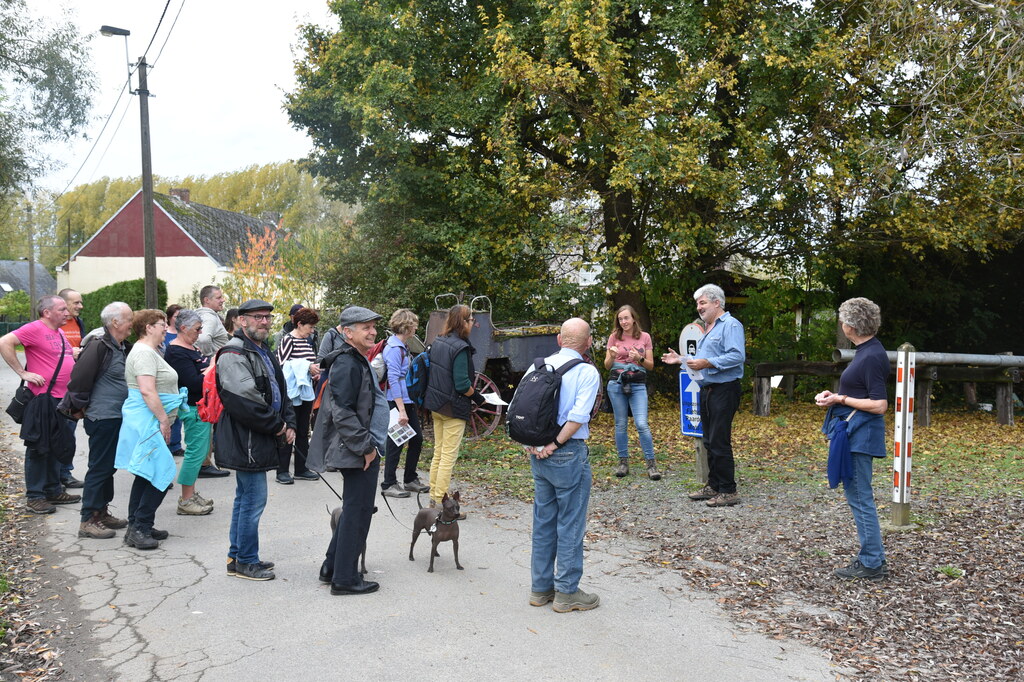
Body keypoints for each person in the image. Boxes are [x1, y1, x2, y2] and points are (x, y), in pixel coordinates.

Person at [307, 306, 387, 595]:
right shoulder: (346, 363)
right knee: (358, 511)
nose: (373, 331)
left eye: (373, 326)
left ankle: (332, 567)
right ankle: (345, 579)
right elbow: (342, 412)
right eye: (365, 327)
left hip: (360, 446)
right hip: (357, 449)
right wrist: (366, 448)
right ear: (347, 331)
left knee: (355, 508)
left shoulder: (354, 359)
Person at [214, 299, 296, 581]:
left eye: (267, 317)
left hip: (260, 433)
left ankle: (238, 556)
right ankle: (246, 561)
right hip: (245, 437)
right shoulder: (233, 353)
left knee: (246, 498)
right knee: (253, 498)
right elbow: (245, 401)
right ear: (241, 321)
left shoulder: (262, 349)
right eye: (257, 317)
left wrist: (290, 422)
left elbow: (279, 390)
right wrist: (278, 427)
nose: (264, 322)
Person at [525, 318, 601, 612]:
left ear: (559, 339)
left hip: (537, 453)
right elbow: (579, 416)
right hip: (566, 453)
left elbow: (524, 408)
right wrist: (555, 445)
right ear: (588, 343)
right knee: (570, 522)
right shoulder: (586, 372)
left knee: (543, 521)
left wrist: (534, 446)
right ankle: (567, 592)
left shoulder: (537, 367)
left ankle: (540, 588)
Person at [815, 297, 890, 581]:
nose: (841, 324)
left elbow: (880, 404)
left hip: (860, 435)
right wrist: (832, 397)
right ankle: (873, 559)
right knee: (859, 497)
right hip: (854, 432)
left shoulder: (871, 355)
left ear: (852, 326)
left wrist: (841, 398)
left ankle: (871, 563)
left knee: (860, 498)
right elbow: (860, 391)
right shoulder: (866, 351)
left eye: (843, 319)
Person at [662, 283, 745, 507]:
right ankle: (714, 485)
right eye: (697, 304)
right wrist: (680, 359)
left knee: (719, 440)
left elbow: (737, 356)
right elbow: (699, 362)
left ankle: (729, 490)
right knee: (709, 440)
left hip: (725, 389)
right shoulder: (707, 328)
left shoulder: (731, 325)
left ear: (717, 302)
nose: (699, 308)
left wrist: (708, 362)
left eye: (702, 303)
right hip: (707, 389)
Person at [0, 296, 80, 514]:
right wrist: (22, 372)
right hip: (43, 398)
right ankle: (35, 496)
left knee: (57, 444)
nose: (67, 313)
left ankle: (53, 490)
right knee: (38, 447)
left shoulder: (60, 332)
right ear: (47, 312)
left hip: (61, 399)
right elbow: (4, 342)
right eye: (62, 309)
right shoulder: (34, 328)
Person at [116, 309, 187, 549]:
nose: (166, 328)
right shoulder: (144, 353)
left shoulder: (148, 351)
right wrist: (164, 420)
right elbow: (147, 390)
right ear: (148, 327)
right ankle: (140, 527)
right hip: (149, 420)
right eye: (161, 324)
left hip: (148, 418)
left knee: (147, 474)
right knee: (162, 473)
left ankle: (137, 525)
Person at [64, 302, 133, 538]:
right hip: (102, 416)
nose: (132, 323)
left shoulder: (121, 346)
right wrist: (77, 408)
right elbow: (79, 379)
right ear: (115, 322)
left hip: (116, 416)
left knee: (108, 467)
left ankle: (102, 511)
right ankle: (88, 519)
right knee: (99, 467)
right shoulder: (98, 346)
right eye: (128, 318)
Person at [423, 304, 485, 512]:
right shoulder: (460, 347)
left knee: (439, 453)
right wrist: (479, 398)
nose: (472, 324)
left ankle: (433, 499)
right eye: (470, 320)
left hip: (436, 404)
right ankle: (442, 504)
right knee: (448, 456)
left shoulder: (439, 341)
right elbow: (461, 384)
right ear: (463, 322)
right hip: (452, 407)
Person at [164, 309, 215, 516]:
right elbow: (194, 382)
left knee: (200, 452)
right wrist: (212, 369)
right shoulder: (176, 351)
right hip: (194, 407)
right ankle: (185, 499)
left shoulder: (191, 348)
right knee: (195, 453)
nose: (200, 332)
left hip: (201, 406)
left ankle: (190, 493)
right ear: (183, 328)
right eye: (197, 329)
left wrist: (207, 371)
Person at [603, 304, 660, 480]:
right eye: (620, 319)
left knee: (642, 424)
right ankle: (623, 463)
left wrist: (639, 358)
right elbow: (606, 366)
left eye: (626, 318)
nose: (624, 322)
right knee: (620, 424)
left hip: (637, 384)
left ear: (633, 318)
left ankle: (651, 464)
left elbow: (650, 365)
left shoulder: (645, 337)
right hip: (617, 384)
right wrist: (612, 356)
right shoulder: (614, 337)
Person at [380, 308, 428, 498]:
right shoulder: (393, 349)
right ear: (407, 326)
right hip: (396, 401)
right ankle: (388, 483)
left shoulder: (402, 346)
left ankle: (409, 479)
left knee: (416, 440)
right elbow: (393, 380)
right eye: (414, 324)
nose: (416, 327)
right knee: (395, 443)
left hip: (406, 400)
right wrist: (401, 410)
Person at [275, 307, 321, 484]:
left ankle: (301, 468)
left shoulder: (307, 340)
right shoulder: (288, 340)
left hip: (305, 392)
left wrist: (313, 372)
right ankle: (282, 471)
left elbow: (307, 364)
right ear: (299, 324)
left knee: (303, 431)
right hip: (290, 394)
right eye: (310, 326)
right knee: (289, 430)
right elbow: (281, 365)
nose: (312, 330)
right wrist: (306, 367)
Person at [194, 285, 231, 478]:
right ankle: (204, 463)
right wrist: (209, 357)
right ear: (207, 300)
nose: (222, 300)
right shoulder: (208, 316)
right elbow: (204, 338)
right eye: (218, 297)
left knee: (208, 417)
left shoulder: (202, 315)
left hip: (211, 372)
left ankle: (205, 461)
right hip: (213, 374)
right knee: (209, 416)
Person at [57, 288, 85, 488]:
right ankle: (59, 475)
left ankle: (65, 472)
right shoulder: (53, 326)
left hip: (74, 384)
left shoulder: (78, 323)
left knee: (70, 431)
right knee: (60, 432)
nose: (80, 306)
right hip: (57, 387)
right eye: (76, 302)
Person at [164, 304, 184, 457]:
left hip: (180, 376)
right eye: (177, 316)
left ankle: (176, 444)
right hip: (167, 377)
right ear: (170, 318)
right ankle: (168, 443)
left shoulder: (182, 334)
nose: (179, 319)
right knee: (170, 412)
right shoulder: (166, 334)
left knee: (179, 413)